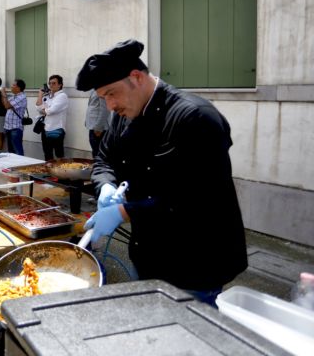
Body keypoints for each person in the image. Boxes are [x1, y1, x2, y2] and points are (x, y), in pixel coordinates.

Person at [77, 39, 247, 307]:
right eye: (103, 98)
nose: (109, 105)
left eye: (112, 93)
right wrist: (106, 185)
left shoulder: (195, 117)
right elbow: (104, 158)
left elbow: (197, 197)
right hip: (147, 252)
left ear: (137, 77)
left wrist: (124, 212)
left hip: (195, 260)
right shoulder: (123, 114)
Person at [36, 75, 68, 160]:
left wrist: (44, 110)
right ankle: (49, 173)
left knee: (59, 155)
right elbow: (37, 107)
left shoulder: (62, 96)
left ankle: (60, 173)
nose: (51, 85)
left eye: (54, 83)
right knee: (47, 154)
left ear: (60, 85)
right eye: (50, 83)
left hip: (56, 129)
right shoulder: (48, 96)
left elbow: (51, 111)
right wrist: (40, 95)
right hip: (45, 128)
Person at [1, 79, 28, 155]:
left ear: (18, 88)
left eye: (13, 85)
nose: (11, 87)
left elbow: (6, 105)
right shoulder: (14, 96)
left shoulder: (21, 97)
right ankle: (13, 166)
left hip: (15, 128)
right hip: (9, 127)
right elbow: (5, 103)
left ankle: (21, 166)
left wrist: (3, 93)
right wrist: (4, 96)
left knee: (17, 151)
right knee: (11, 152)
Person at [85, 90, 110, 157]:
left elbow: (105, 109)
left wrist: (99, 127)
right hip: (93, 126)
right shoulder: (95, 89)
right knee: (96, 152)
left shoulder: (101, 88)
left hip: (98, 128)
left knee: (99, 154)